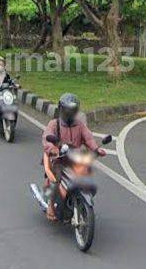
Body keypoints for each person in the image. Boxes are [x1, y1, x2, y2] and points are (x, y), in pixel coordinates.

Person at [41, 93, 106, 221]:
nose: (70, 113)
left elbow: (89, 138)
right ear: (61, 109)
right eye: (68, 110)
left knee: (87, 175)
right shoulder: (54, 124)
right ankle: (51, 206)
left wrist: (96, 149)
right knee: (56, 180)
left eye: (73, 110)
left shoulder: (80, 125)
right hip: (59, 158)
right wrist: (53, 149)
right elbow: (46, 138)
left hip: (75, 158)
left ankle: (83, 202)